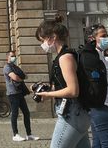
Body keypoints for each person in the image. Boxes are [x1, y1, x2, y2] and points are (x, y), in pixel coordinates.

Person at [35, 15, 91, 148]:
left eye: (42, 40)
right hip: (78, 113)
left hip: (71, 114)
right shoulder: (65, 56)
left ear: (53, 37)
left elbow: (73, 90)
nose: (42, 45)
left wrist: (48, 95)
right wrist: (46, 89)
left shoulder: (65, 57)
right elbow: (65, 85)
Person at [88, 25, 108, 148]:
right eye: (103, 36)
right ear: (92, 38)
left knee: (99, 143)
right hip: (102, 105)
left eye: (107, 35)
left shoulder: (102, 56)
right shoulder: (93, 56)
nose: (107, 38)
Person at [3, 50, 39, 142]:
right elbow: (15, 77)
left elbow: (25, 76)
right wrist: (20, 78)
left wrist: (20, 77)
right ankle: (15, 134)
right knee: (14, 114)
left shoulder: (15, 67)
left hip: (19, 93)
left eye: (14, 56)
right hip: (12, 94)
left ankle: (29, 134)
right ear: (7, 57)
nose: (13, 57)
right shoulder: (7, 67)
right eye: (12, 56)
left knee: (26, 113)